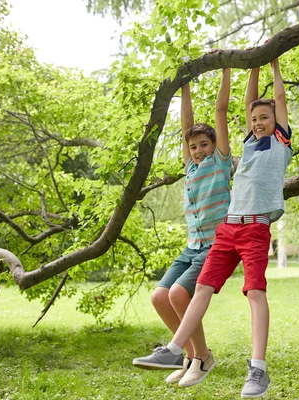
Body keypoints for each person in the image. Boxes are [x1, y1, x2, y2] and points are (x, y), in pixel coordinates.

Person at [133, 58, 292, 399]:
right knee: (200, 290)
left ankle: (258, 369)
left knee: (255, 293)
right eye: (254, 119)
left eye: (265, 117)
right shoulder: (249, 143)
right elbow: (248, 103)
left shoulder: (280, 144)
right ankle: (179, 350)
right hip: (228, 229)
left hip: (255, 227)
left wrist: (271, 62)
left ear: (276, 121)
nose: (258, 122)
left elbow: (277, 99)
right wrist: (253, 68)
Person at [132, 68, 233, 388]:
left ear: (214, 145)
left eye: (204, 144)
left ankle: (200, 358)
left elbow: (220, 112)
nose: (198, 150)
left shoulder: (220, 161)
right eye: (193, 147)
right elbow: (185, 124)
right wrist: (184, 85)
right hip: (191, 245)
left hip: (215, 245)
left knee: (179, 294)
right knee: (160, 297)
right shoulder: (189, 166)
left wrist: (226, 70)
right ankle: (193, 356)